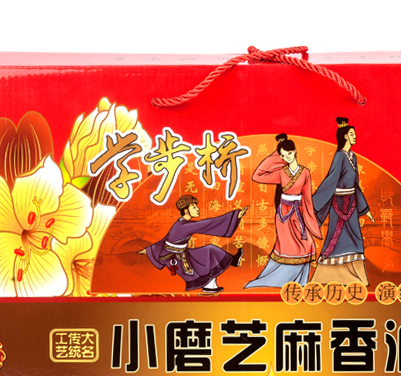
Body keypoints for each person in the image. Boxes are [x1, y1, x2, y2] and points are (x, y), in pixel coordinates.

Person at [245, 133, 321, 288]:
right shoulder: (281, 172)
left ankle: (300, 281)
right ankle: (282, 280)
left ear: (295, 152)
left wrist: (309, 218)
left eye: (289, 154)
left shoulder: (305, 172)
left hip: (298, 212)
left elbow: (307, 198)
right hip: (284, 214)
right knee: (288, 247)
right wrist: (276, 154)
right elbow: (257, 175)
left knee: (306, 244)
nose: (287, 158)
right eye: (283, 156)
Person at [312, 117, 375, 286]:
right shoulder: (340, 156)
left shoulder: (352, 157)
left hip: (352, 203)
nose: (355, 136)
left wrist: (365, 209)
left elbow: (356, 185)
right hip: (338, 204)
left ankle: (358, 277)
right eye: (352, 134)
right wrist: (313, 202)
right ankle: (325, 276)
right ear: (346, 136)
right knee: (335, 236)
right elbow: (331, 179)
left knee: (356, 237)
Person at [142, 195, 247, 293]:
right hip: (176, 259)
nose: (197, 209)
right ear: (186, 210)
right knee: (208, 257)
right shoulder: (183, 226)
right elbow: (208, 224)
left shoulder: (181, 223)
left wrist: (149, 250)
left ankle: (211, 286)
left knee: (210, 251)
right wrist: (234, 216)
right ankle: (229, 265)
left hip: (181, 254)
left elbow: (165, 239)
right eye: (194, 207)